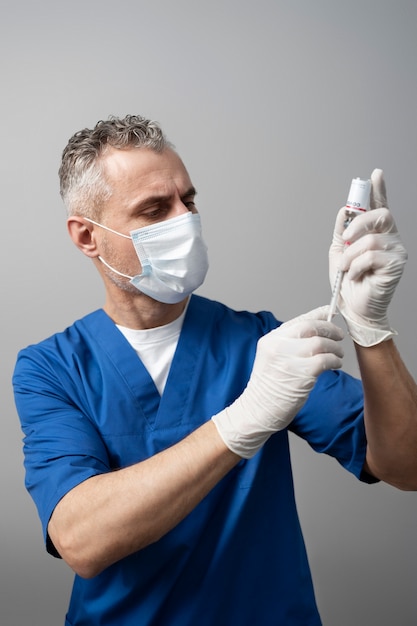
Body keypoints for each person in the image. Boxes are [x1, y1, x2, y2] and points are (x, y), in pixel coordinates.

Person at [13, 114, 417, 626]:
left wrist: (370, 330)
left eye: (189, 200)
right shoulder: (52, 369)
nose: (185, 219)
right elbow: (81, 539)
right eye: (155, 209)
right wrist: (244, 419)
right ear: (88, 237)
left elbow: (407, 466)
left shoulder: (259, 343)